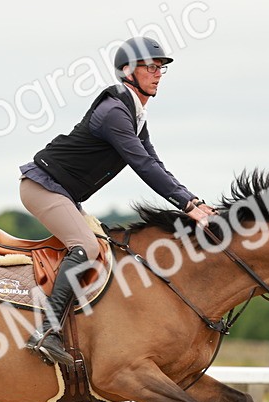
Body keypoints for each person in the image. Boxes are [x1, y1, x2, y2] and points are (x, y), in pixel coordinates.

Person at [19, 36, 218, 365]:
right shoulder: (114, 113)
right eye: (150, 67)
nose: (157, 74)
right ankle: (45, 331)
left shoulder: (134, 116)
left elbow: (155, 163)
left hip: (63, 193)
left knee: (107, 251)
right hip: (42, 186)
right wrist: (188, 206)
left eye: (161, 69)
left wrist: (193, 200)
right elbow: (142, 165)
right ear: (127, 71)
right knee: (87, 249)